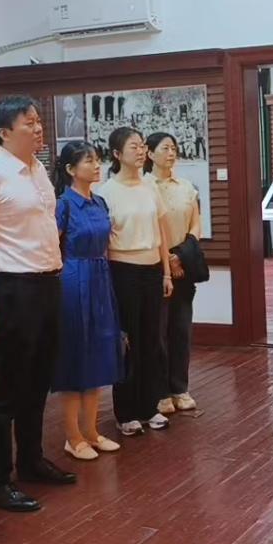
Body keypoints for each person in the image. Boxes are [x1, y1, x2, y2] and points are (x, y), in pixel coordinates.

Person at [0, 96, 77, 515]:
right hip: (13, 287)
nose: (38, 127)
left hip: (48, 283)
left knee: (38, 379)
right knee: (8, 387)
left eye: (37, 120)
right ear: (4, 132)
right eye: (28, 122)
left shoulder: (38, 171)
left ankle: (31, 460)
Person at [94, 127, 174, 435]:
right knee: (128, 343)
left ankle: (149, 407)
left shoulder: (149, 186)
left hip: (152, 270)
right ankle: (125, 411)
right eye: (133, 146)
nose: (140, 151)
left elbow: (161, 232)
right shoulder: (106, 192)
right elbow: (103, 243)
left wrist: (166, 272)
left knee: (151, 341)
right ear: (116, 154)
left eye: (142, 146)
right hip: (123, 271)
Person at [52, 141, 123, 459]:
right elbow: (51, 246)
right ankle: (73, 436)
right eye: (89, 161)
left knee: (97, 353)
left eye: (97, 160)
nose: (97, 166)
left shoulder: (100, 202)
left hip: (100, 278)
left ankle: (91, 431)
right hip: (73, 278)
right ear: (70, 169)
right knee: (73, 356)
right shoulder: (63, 205)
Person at [146, 131, 202, 414]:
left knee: (181, 329)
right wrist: (165, 259)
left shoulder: (187, 187)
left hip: (182, 266)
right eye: (165, 148)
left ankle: (180, 387)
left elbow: (196, 226)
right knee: (158, 332)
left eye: (174, 148)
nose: (171, 153)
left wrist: (179, 256)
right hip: (154, 267)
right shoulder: (144, 186)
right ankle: (159, 391)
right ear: (149, 153)